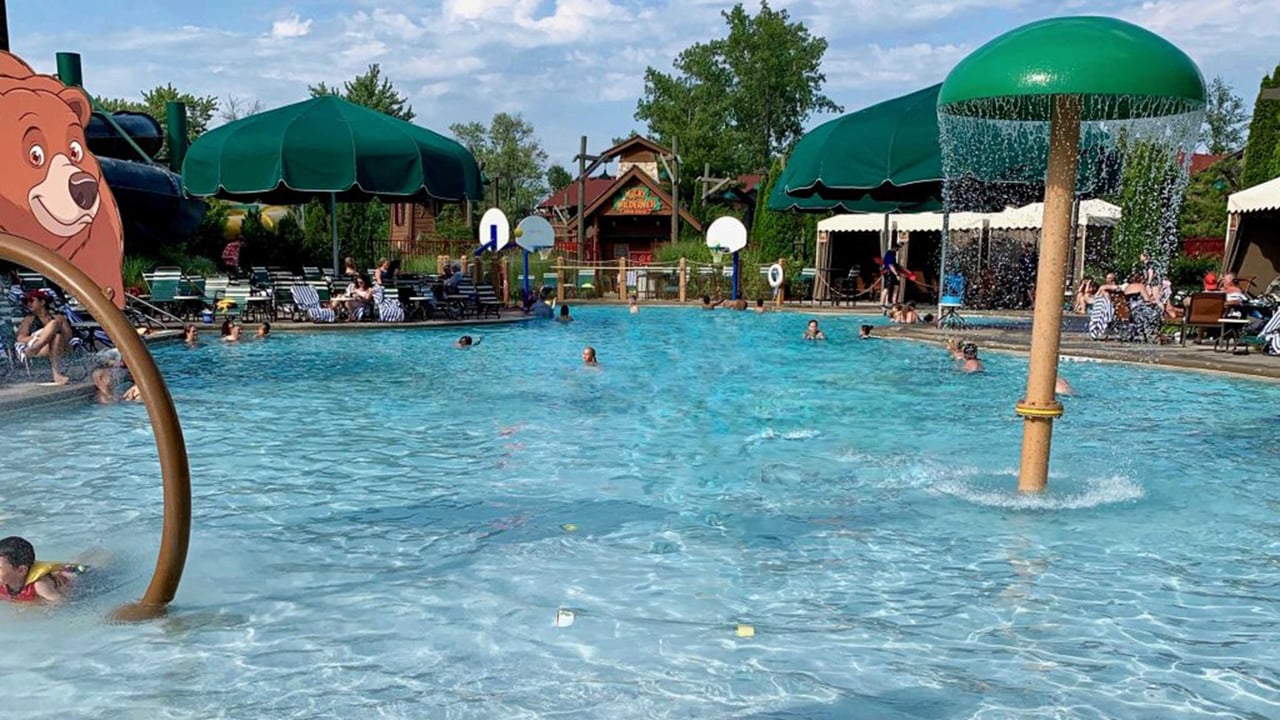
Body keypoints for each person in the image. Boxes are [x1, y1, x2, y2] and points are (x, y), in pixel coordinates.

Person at [0, 536, 86, 603]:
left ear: (21, 571)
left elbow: (61, 602)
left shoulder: (40, 585)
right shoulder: (3, 583)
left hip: (77, 577)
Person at [16, 290, 73, 384]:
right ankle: (57, 374)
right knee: (56, 334)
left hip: (57, 347)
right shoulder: (29, 320)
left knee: (56, 330)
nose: (28, 304)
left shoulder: (59, 318)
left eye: (31, 300)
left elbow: (68, 337)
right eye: (26, 302)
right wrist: (38, 337)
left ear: (42, 302)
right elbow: (20, 338)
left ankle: (37, 346)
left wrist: (48, 334)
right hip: (41, 349)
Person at [879, 243, 901, 308]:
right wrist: (896, 274)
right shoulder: (889, 254)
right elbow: (890, 265)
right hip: (889, 272)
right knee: (887, 288)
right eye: (897, 249)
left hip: (893, 272)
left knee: (896, 286)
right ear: (894, 248)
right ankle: (882, 303)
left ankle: (894, 302)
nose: (897, 250)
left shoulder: (893, 254)